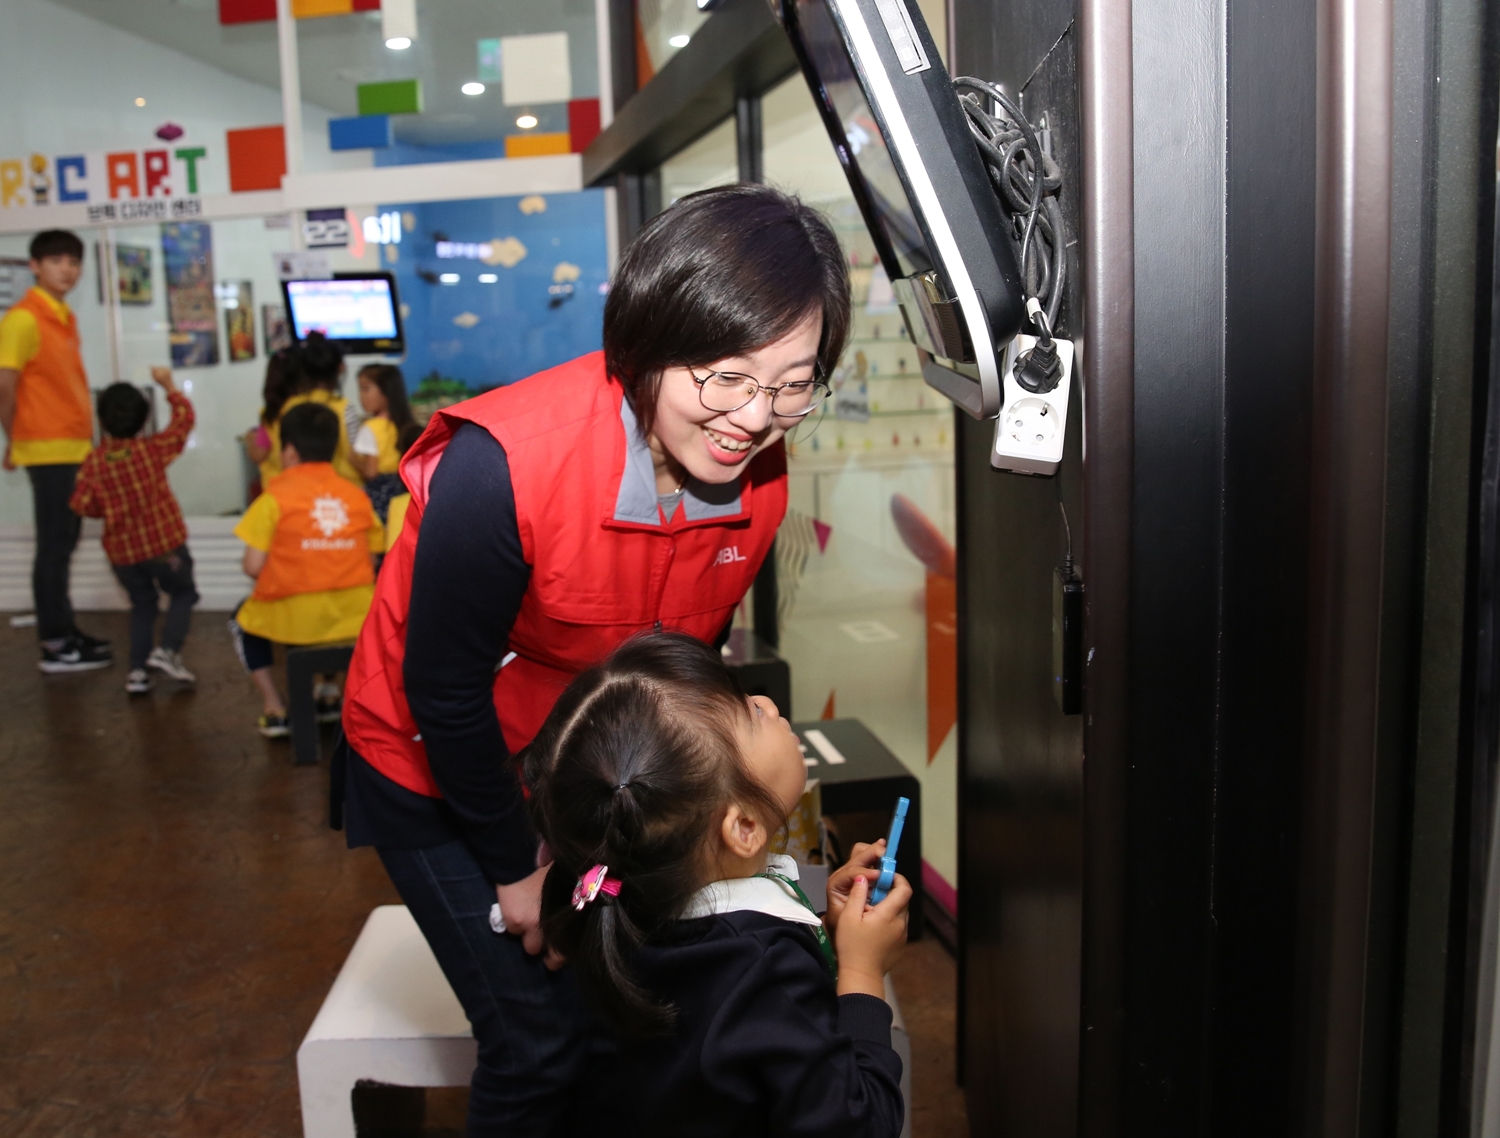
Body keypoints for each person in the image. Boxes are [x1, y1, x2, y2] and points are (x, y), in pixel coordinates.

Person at [338, 183, 849, 1135]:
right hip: (429, 758)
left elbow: (673, 677)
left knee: (618, 1010)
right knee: (536, 1041)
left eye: (790, 382)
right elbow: (441, 692)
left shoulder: (759, 481)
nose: (755, 416)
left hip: (574, 762)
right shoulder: (502, 468)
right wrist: (515, 869)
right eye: (725, 376)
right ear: (648, 340)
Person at [525, 632, 909, 1137]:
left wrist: (819, 917)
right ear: (743, 828)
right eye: (751, 715)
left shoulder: (634, 893)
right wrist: (862, 968)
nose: (769, 705)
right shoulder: (767, 973)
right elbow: (858, 1123)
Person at [231, 402, 380, 738]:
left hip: (294, 620)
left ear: (290, 451)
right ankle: (329, 694)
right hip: (356, 615)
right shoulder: (356, 497)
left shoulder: (274, 497)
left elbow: (253, 567)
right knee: (334, 626)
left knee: (242, 624)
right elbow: (370, 561)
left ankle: (275, 708)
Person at [0, 229, 112, 672]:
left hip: (71, 448)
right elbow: (4, 386)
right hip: (47, 450)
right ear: (35, 266)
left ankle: (66, 630)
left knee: (63, 545)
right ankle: (54, 643)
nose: (66, 269)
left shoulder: (61, 316)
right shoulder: (23, 319)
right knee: (52, 548)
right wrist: (15, 438)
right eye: (56, 260)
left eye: (73, 260)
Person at [69, 368, 199, 695]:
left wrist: (108, 507)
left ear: (101, 421)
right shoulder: (151, 451)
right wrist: (169, 386)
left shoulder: (95, 463)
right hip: (165, 547)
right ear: (143, 420)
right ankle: (167, 651)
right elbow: (183, 421)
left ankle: (137, 673)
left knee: (143, 606)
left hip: (124, 556)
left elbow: (82, 504)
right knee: (184, 593)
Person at [256, 333, 362, 487]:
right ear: (340, 368)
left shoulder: (290, 406)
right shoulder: (345, 408)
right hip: (341, 489)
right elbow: (355, 454)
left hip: (297, 487)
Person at [352, 363, 420, 521]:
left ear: (385, 393)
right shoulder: (405, 424)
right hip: (402, 491)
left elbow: (371, 471)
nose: (361, 396)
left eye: (366, 389)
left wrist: (353, 460)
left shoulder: (370, 428)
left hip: (379, 494)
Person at [243, 347, 297, 497]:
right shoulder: (308, 408)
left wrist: (250, 437)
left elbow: (259, 454)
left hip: (276, 492)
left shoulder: (271, 414)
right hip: (306, 489)